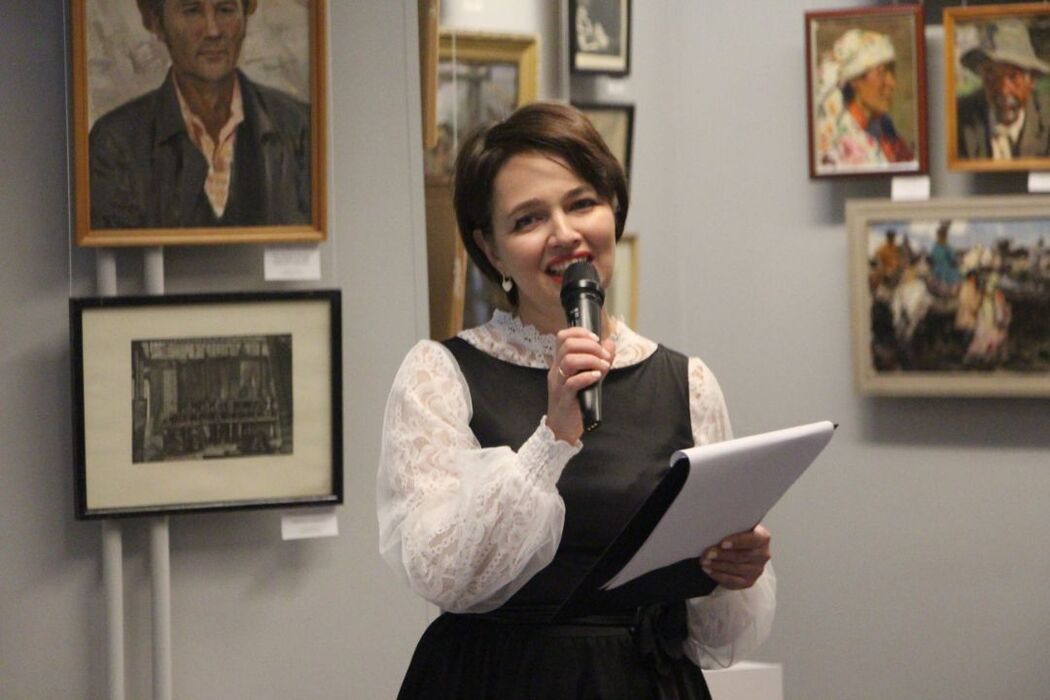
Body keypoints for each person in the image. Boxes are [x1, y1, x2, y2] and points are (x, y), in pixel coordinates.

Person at [377, 103, 775, 699]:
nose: (564, 233)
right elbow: (443, 575)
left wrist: (732, 572)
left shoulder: (686, 382)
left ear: (614, 208)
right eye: (529, 219)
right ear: (491, 249)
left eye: (582, 203)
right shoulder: (440, 374)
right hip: (496, 680)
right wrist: (553, 437)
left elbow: (715, 637)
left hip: (644, 680)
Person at [89, 0, 311, 229]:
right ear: (155, 22)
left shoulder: (300, 129)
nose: (213, 31)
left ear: (246, 15)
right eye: (192, 11)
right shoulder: (115, 143)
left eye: (225, 10)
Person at [815, 29, 914, 170]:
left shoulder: (887, 131)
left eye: (892, 71)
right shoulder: (834, 141)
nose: (892, 83)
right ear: (855, 80)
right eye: (881, 72)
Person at [956, 18, 1050, 160]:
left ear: (1031, 80)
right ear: (982, 77)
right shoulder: (959, 117)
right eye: (991, 76)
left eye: (1013, 77)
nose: (1003, 89)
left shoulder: (1046, 119)